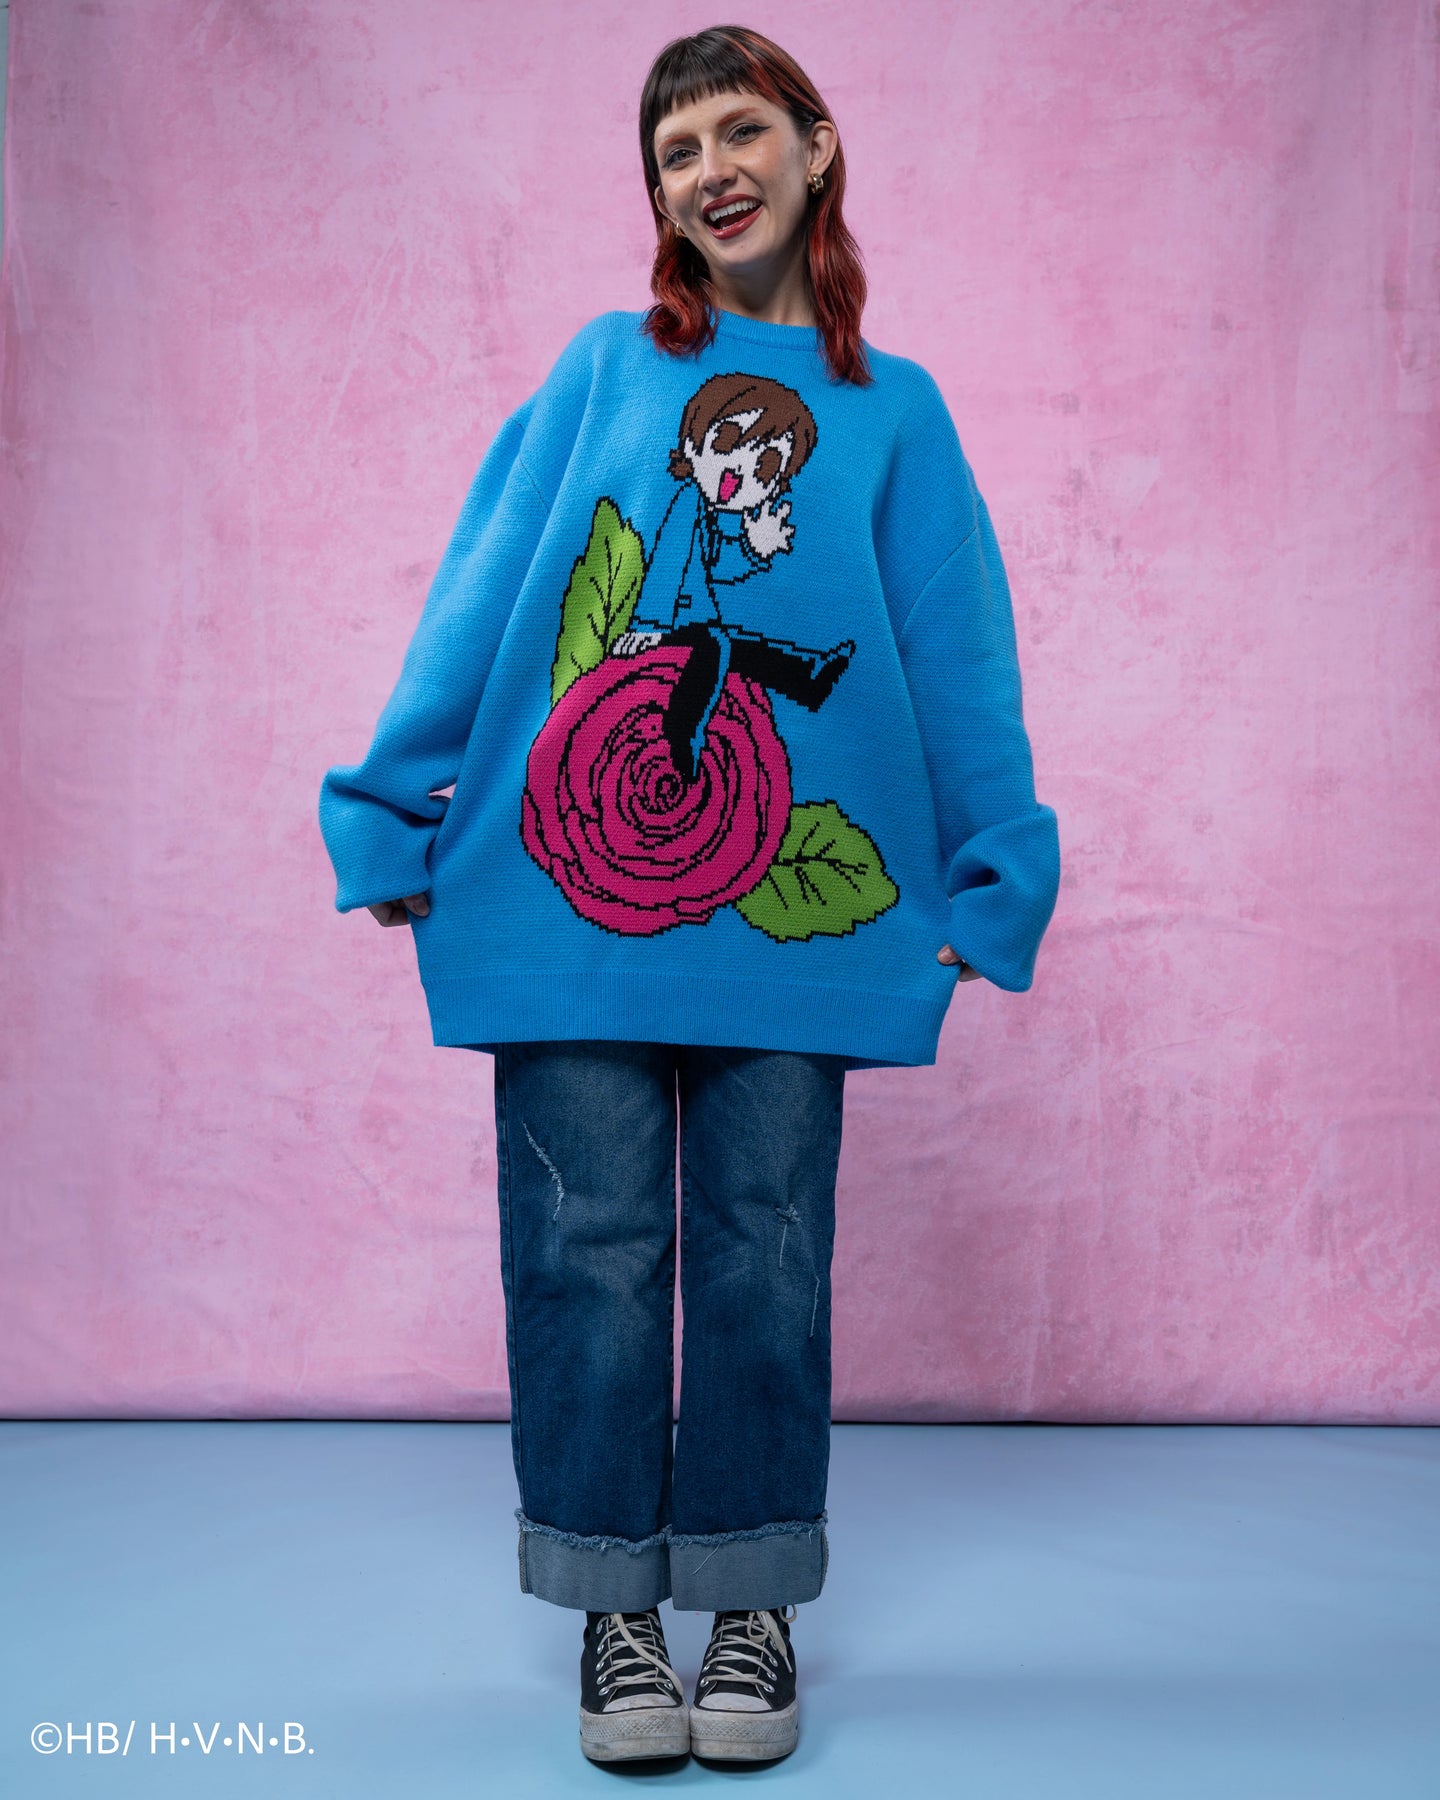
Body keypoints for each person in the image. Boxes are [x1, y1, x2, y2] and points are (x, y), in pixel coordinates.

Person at [318, 25, 1061, 1768]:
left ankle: (746, 1599)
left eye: (739, 131)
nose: (710, 171)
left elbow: (957, 648)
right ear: (656, 194)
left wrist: (993, 866)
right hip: (565, 891)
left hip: (789, 919)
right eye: (674, 151)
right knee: (584, 1250)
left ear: (816, 144)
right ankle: (611, 1618)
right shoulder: (604, 369)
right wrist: (389, 806)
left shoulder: (897, 411)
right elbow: (492, 586)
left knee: (765, 1249)